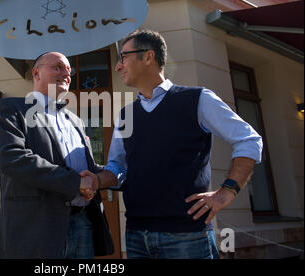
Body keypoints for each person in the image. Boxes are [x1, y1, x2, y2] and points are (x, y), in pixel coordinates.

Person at [82, 29, 263, 259]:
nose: (118, 66)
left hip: (187, 236)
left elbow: (249, 140)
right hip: (136, 236)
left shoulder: (198, 99)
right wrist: (96, 180)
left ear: (148, 57)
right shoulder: (126, 115)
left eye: (124, 57)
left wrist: (226, 191)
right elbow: (118, 168)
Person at [0, 51, 113, 258]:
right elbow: (12, 158)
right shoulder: (9, 109)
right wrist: (76, 182)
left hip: (83, 224)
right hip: (37, 229)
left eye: (68, 69)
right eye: (57, 67)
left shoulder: (76, 121)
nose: (66, 73)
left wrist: (110, 176)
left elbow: (86, 169)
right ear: (36, 73)